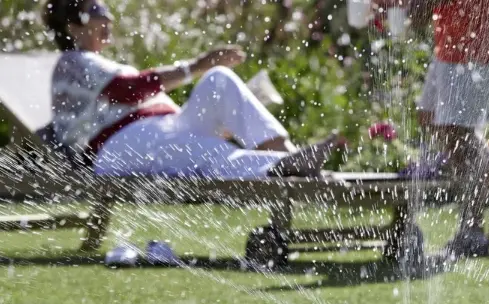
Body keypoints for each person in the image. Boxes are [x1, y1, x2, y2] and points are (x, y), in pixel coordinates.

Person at [41, 0, 339, 179]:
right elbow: (130, 90)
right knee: (211, 152)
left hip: (162, 129)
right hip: (118, 148)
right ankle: (280, 167)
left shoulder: (94, 64)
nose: (108, 18)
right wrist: (197, 64)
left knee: (219, 79)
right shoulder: (72, 63)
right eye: (95, 9)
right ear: (72, 27)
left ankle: (289, 157)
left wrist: (208, 76)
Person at [406, 0, 489, 257]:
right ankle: (474, 227)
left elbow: (419, 13)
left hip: (474, 39)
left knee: (455, 131)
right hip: (461, 37)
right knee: (433, 121)